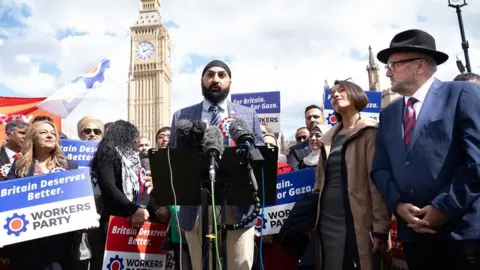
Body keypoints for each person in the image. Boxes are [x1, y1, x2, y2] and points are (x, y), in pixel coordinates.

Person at [372, 29, 480, 270]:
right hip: (414, 237)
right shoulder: (388, 115)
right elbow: (380, 169)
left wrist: (444, 207)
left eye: (393, 64)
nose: (387, 71)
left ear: (419, 65)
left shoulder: (462, 94)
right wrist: (398, 205)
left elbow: (476, 160)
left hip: (461, 235)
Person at [168, 60, 263, 270]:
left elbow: (260, 157)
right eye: (210, 74)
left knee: (239, 265)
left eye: (221, 75)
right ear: (202, 80)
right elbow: (172, 159)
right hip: (195, 206)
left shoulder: (248, 115)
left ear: (230, 82)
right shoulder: (182, 116)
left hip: (237, 206)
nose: (215, 79)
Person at [312, 80, 390, 270]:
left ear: (356, 95)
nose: (335, 96)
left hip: (358, 219)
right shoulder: (327, 139)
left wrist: (380, 229)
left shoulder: (370, 131)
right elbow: (319, 183)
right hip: (327, 219)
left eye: (342, 91)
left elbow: (376, 183)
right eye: (332, 94)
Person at [6, 120, 79, 269]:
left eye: (53, 133)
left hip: (60, 245)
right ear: (32, 138)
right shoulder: (19, 167)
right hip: (28, 244)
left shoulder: (70, 166)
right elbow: (9, 200)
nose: (50, 136)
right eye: (44, 132)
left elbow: (80, 199)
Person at [90, 120, 160, 261]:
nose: (135, 140)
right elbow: (109, 187)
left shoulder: (132, 157)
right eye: (133, 136)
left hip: (136, 218)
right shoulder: (107, 151)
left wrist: (146, 209)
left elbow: (142, 186)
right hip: (114, 220)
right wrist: (134, 210)